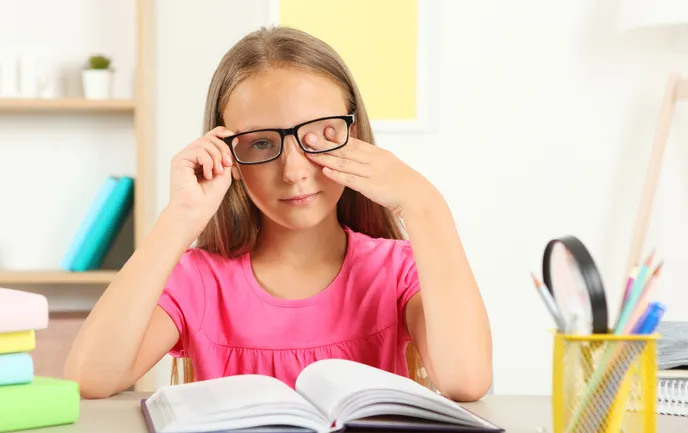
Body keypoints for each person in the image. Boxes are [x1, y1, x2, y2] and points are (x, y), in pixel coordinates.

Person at [64, 26, 492, 402]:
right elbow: (90, 378)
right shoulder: (199, 280)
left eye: (319, 135)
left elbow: (466, 380)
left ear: (353, 133)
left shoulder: (397, 271)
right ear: (226, 154)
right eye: (262, 143)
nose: (294, 171)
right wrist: (180, 217)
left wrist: (424, 203)